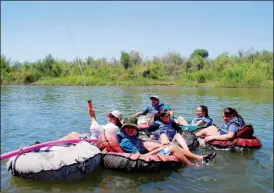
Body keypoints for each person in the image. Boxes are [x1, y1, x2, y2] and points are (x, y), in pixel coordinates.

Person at [117, 116, 217, 167]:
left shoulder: (133, 137)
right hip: (144, 159)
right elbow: (139, 157)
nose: (129, 129)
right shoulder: (126, 141)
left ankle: (200, 158)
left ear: (136, 129)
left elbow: (144, 147)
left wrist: (158, 146)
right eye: (127, 128)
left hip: (148, 153)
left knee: (170, 145)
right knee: (172, 147)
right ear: (123, 128)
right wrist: (159, 148)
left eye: (132, 128)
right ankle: (192, 166)